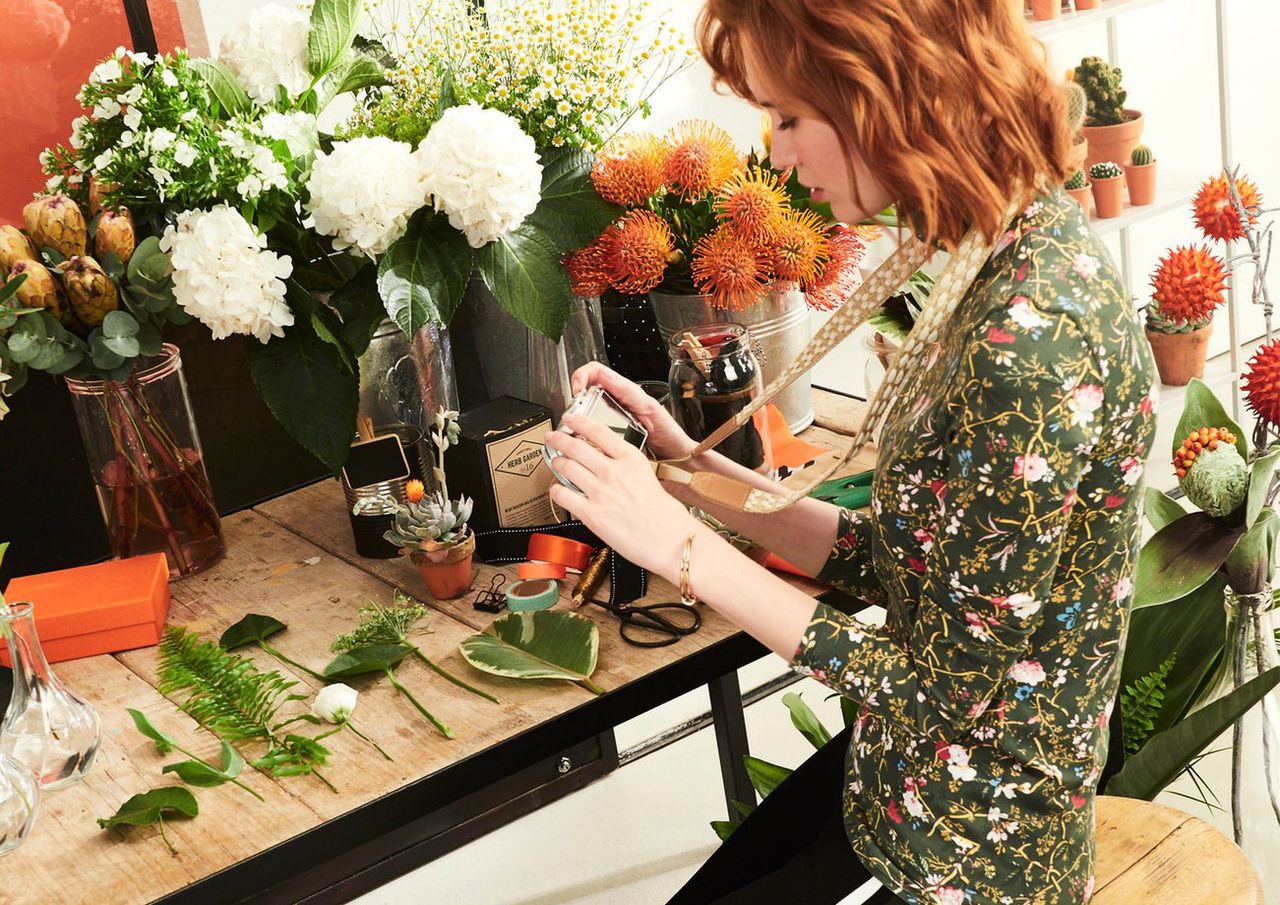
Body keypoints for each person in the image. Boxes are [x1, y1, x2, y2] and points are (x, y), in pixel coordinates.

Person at [542, 1, 1158, 902]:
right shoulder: (997, 252)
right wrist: (691, 475)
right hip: (906, 803)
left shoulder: (1031, 340)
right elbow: (912, 564)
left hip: (971, 860)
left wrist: (682, 553)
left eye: (790, 117)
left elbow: (951, 693)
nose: (777, 153)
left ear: (892, 88)